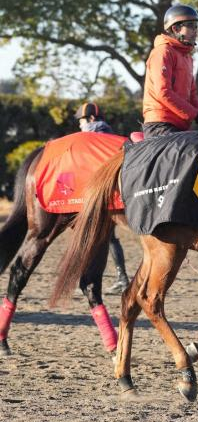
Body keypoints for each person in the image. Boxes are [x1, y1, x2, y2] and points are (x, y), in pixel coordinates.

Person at [74, 102, 130, 295]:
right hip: (113, 196)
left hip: (102, 197)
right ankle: (122, 278)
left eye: (81, 121)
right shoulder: (111, 136)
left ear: (90, 119)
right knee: (109, 239)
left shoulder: (94, 138)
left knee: (92, 237)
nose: (80, 126)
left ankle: (86, 278)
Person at [142, 4, 198, 138]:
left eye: (196, 26)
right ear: (176, 28)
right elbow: (163, 92)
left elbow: (192, 96)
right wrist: (196, 115)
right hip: (159, 125)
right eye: (191, 26)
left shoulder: (188, 58)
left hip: (179, 126)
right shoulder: (163, 52)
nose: (196, 31)